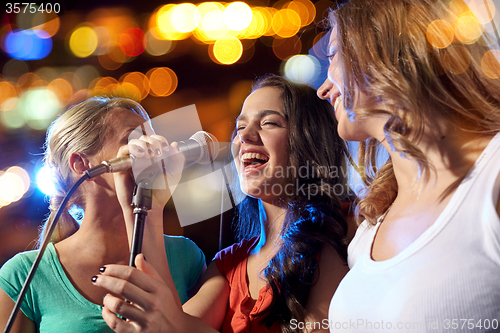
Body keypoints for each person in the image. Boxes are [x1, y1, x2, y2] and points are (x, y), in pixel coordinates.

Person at [91, 74, 353, 333]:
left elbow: (172, 325)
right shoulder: (228, 265)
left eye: (269, 123)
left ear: (310, 141)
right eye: (240, 128)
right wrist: (150, 205)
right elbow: (167, 324)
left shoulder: (342, 232)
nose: (245, 137)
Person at [317, 0, 500, 331]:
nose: (322, 89)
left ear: (377, 53)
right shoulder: (372, 225)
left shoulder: (492, 176)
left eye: (332, 57)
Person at [0, 97, 206, 333]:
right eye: (135, 140)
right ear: (81, 164)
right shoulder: (23, 275)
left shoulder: (186, 257)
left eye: (153, 138)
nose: (154, 150)